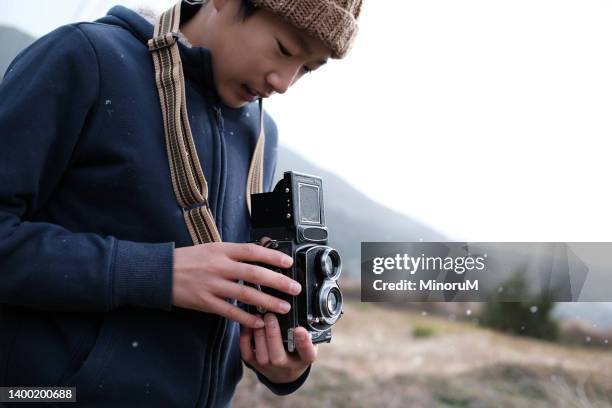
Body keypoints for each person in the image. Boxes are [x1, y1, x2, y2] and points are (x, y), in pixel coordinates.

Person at [0, 0, 361, 406]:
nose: (284, 83)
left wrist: (279, 363)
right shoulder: (86, 57)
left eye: (308, 69)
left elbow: (232, 290)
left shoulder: (262, 133)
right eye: (283, 48)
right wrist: (157, 273)